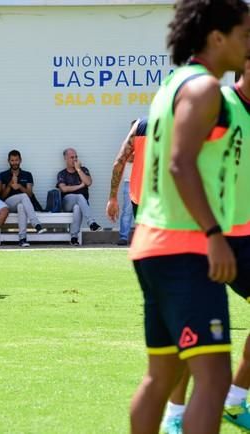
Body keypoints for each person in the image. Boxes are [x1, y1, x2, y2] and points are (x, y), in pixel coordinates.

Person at [128, 1, 250, 433]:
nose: (248, 44)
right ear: (218, 37)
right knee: (214, 379)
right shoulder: (204, 90)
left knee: (160, 376)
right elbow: (181, 163)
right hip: (186, 249)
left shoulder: (172, 85)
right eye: (244, 34)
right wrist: (215, 234)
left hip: (153, 244)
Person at [160, 59, 250, 434]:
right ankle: (174, 416)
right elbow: (180, 162)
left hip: (245, 237)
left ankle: (235, 400)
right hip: (205, 235)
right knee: (192, 332)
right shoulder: (220, 104)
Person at [105, 118, 148, 245]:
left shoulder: (140, 125)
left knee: (146, 236)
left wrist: (112, 198)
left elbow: (120, 161)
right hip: (164, 193)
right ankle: (124, 237)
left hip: (138, 192)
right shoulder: (180, 124)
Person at [0, 150, 47, 247]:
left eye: (16, 160)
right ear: (8, 161)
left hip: (23, 204)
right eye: (12, 160)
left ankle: (22, 239)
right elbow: (2, 197)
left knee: (21, 205)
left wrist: (20, 186)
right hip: (8, 204)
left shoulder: (27, 174)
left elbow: (30, 194)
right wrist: (10, 185)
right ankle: (36, 224)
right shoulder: (3, 175)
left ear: (20, 160)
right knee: (23, 196)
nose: (14, 163)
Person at [56, 148, 102, 246]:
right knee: (80, 197)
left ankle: (74, 237)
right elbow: (64, 189)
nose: (75, 159)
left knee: (77, 207)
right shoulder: (62, 174)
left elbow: (88, 182)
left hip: (80, 204)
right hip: (67, 203)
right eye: (72, 157)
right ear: (65, 158)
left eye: (76, 157)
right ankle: (91, 222)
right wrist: (80, 186)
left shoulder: (84, 170)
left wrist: (78, 169)